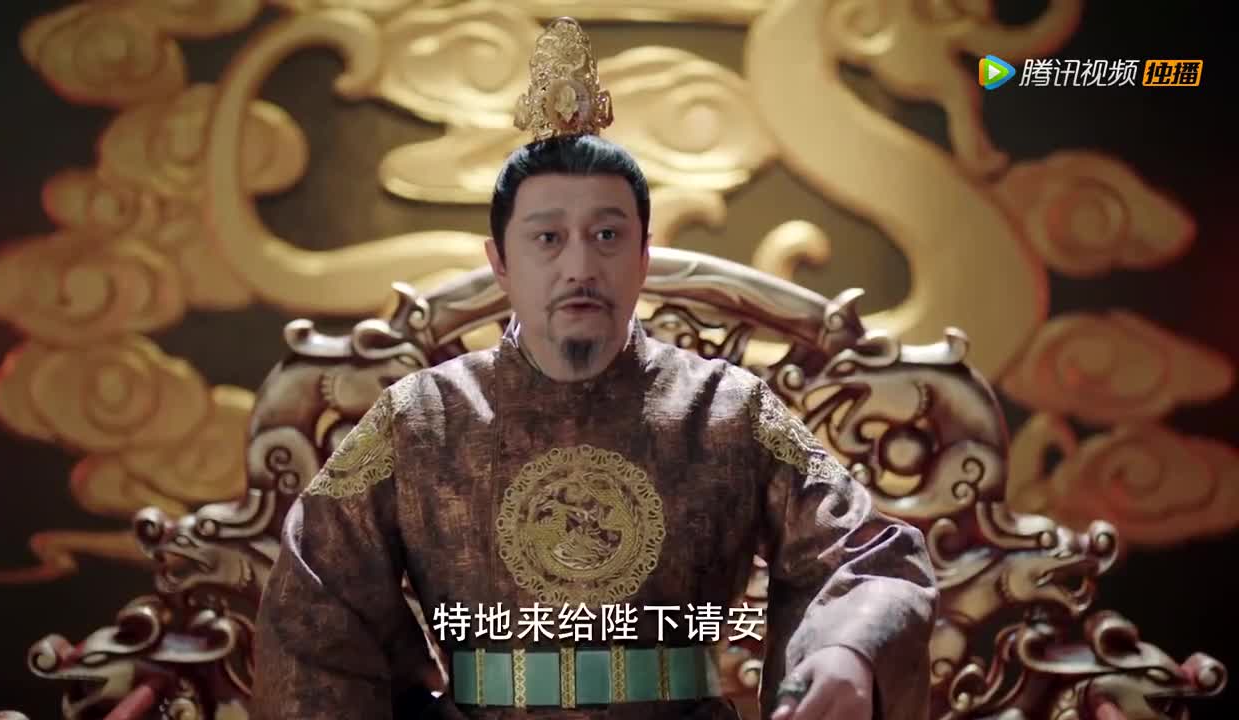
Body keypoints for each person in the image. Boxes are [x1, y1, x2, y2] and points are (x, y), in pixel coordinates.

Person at [252, 17, 937, 720]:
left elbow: (867, 556)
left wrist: (845, 651)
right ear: (500, 262)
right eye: (548, 238)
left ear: (643, 258)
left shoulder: (729, 411)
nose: (579, 266)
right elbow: (315, 605)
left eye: (607, 235)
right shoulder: (420, 419)